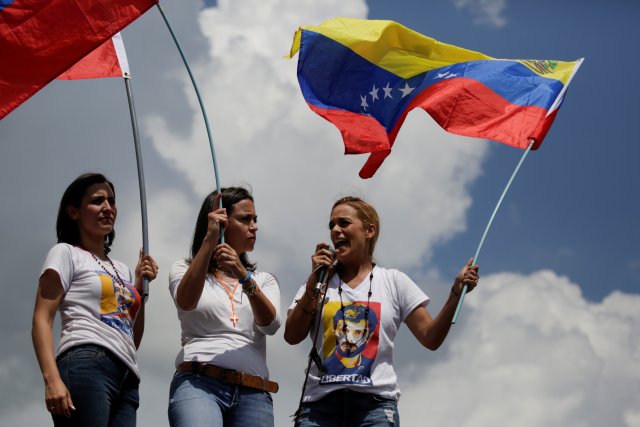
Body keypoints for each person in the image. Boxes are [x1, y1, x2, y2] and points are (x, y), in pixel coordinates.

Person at [284, 196, 479, 426]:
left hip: (375, 409)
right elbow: (292, 336)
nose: (335, 230)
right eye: (332, 225)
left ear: (369, 231)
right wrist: (312, 284)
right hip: (319, 409)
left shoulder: (394, 282)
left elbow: (430, 337)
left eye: (344, 223)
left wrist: (455, 293)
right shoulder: (319, 282)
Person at [31, 172, 159, 426]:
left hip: (126, 374)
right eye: (97, 201)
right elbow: (41, 319)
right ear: (73, 211)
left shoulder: (121, 270)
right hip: (86, 361)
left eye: (111, 201)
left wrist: (140, 290)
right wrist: (52, 379)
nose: (107, 208)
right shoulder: (65, 253)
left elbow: (131, 337)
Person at [168, 187, 281, 427]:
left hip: (254, 393)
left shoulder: (263, 280)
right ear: (220, 223)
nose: (254, 226)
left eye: (255, 219)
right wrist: (209, 242)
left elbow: (270, 325)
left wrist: (243, 276)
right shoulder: (182, 269)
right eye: (245, 219)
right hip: (199, 384)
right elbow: (186, 302)